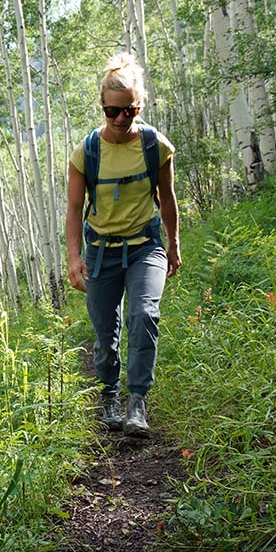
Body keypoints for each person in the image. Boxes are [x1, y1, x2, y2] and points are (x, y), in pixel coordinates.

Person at [65, 53, 181, 437]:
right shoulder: (87, 152)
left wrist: (174, 244)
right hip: (101, 252)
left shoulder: (155, 146)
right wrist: (73, 257)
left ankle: (137, 402)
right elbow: (74, 208)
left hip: (145, 247)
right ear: (102, 107)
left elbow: (168, 199)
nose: (119, 119)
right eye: (111, 111)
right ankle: (109, 394)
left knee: (144, 315)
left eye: (128, 111)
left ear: (139, 106)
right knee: (105, 333)